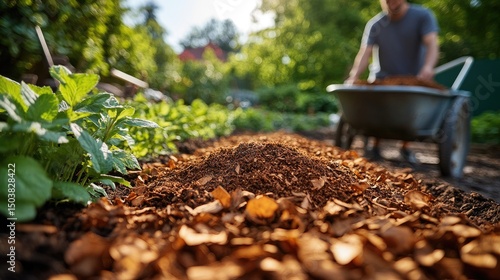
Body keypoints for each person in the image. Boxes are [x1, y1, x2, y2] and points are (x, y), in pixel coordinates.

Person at [344, 0, 440, 163]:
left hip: (412, 80)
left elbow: (432, 44)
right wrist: (354, 76)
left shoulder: (422, 16)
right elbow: (364, 54)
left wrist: (428, 67)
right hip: (383, 80)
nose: (391, 2)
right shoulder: (376, 24)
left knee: (409, 107)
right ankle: (375, 145)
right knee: (378, 106)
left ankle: (406, 147)